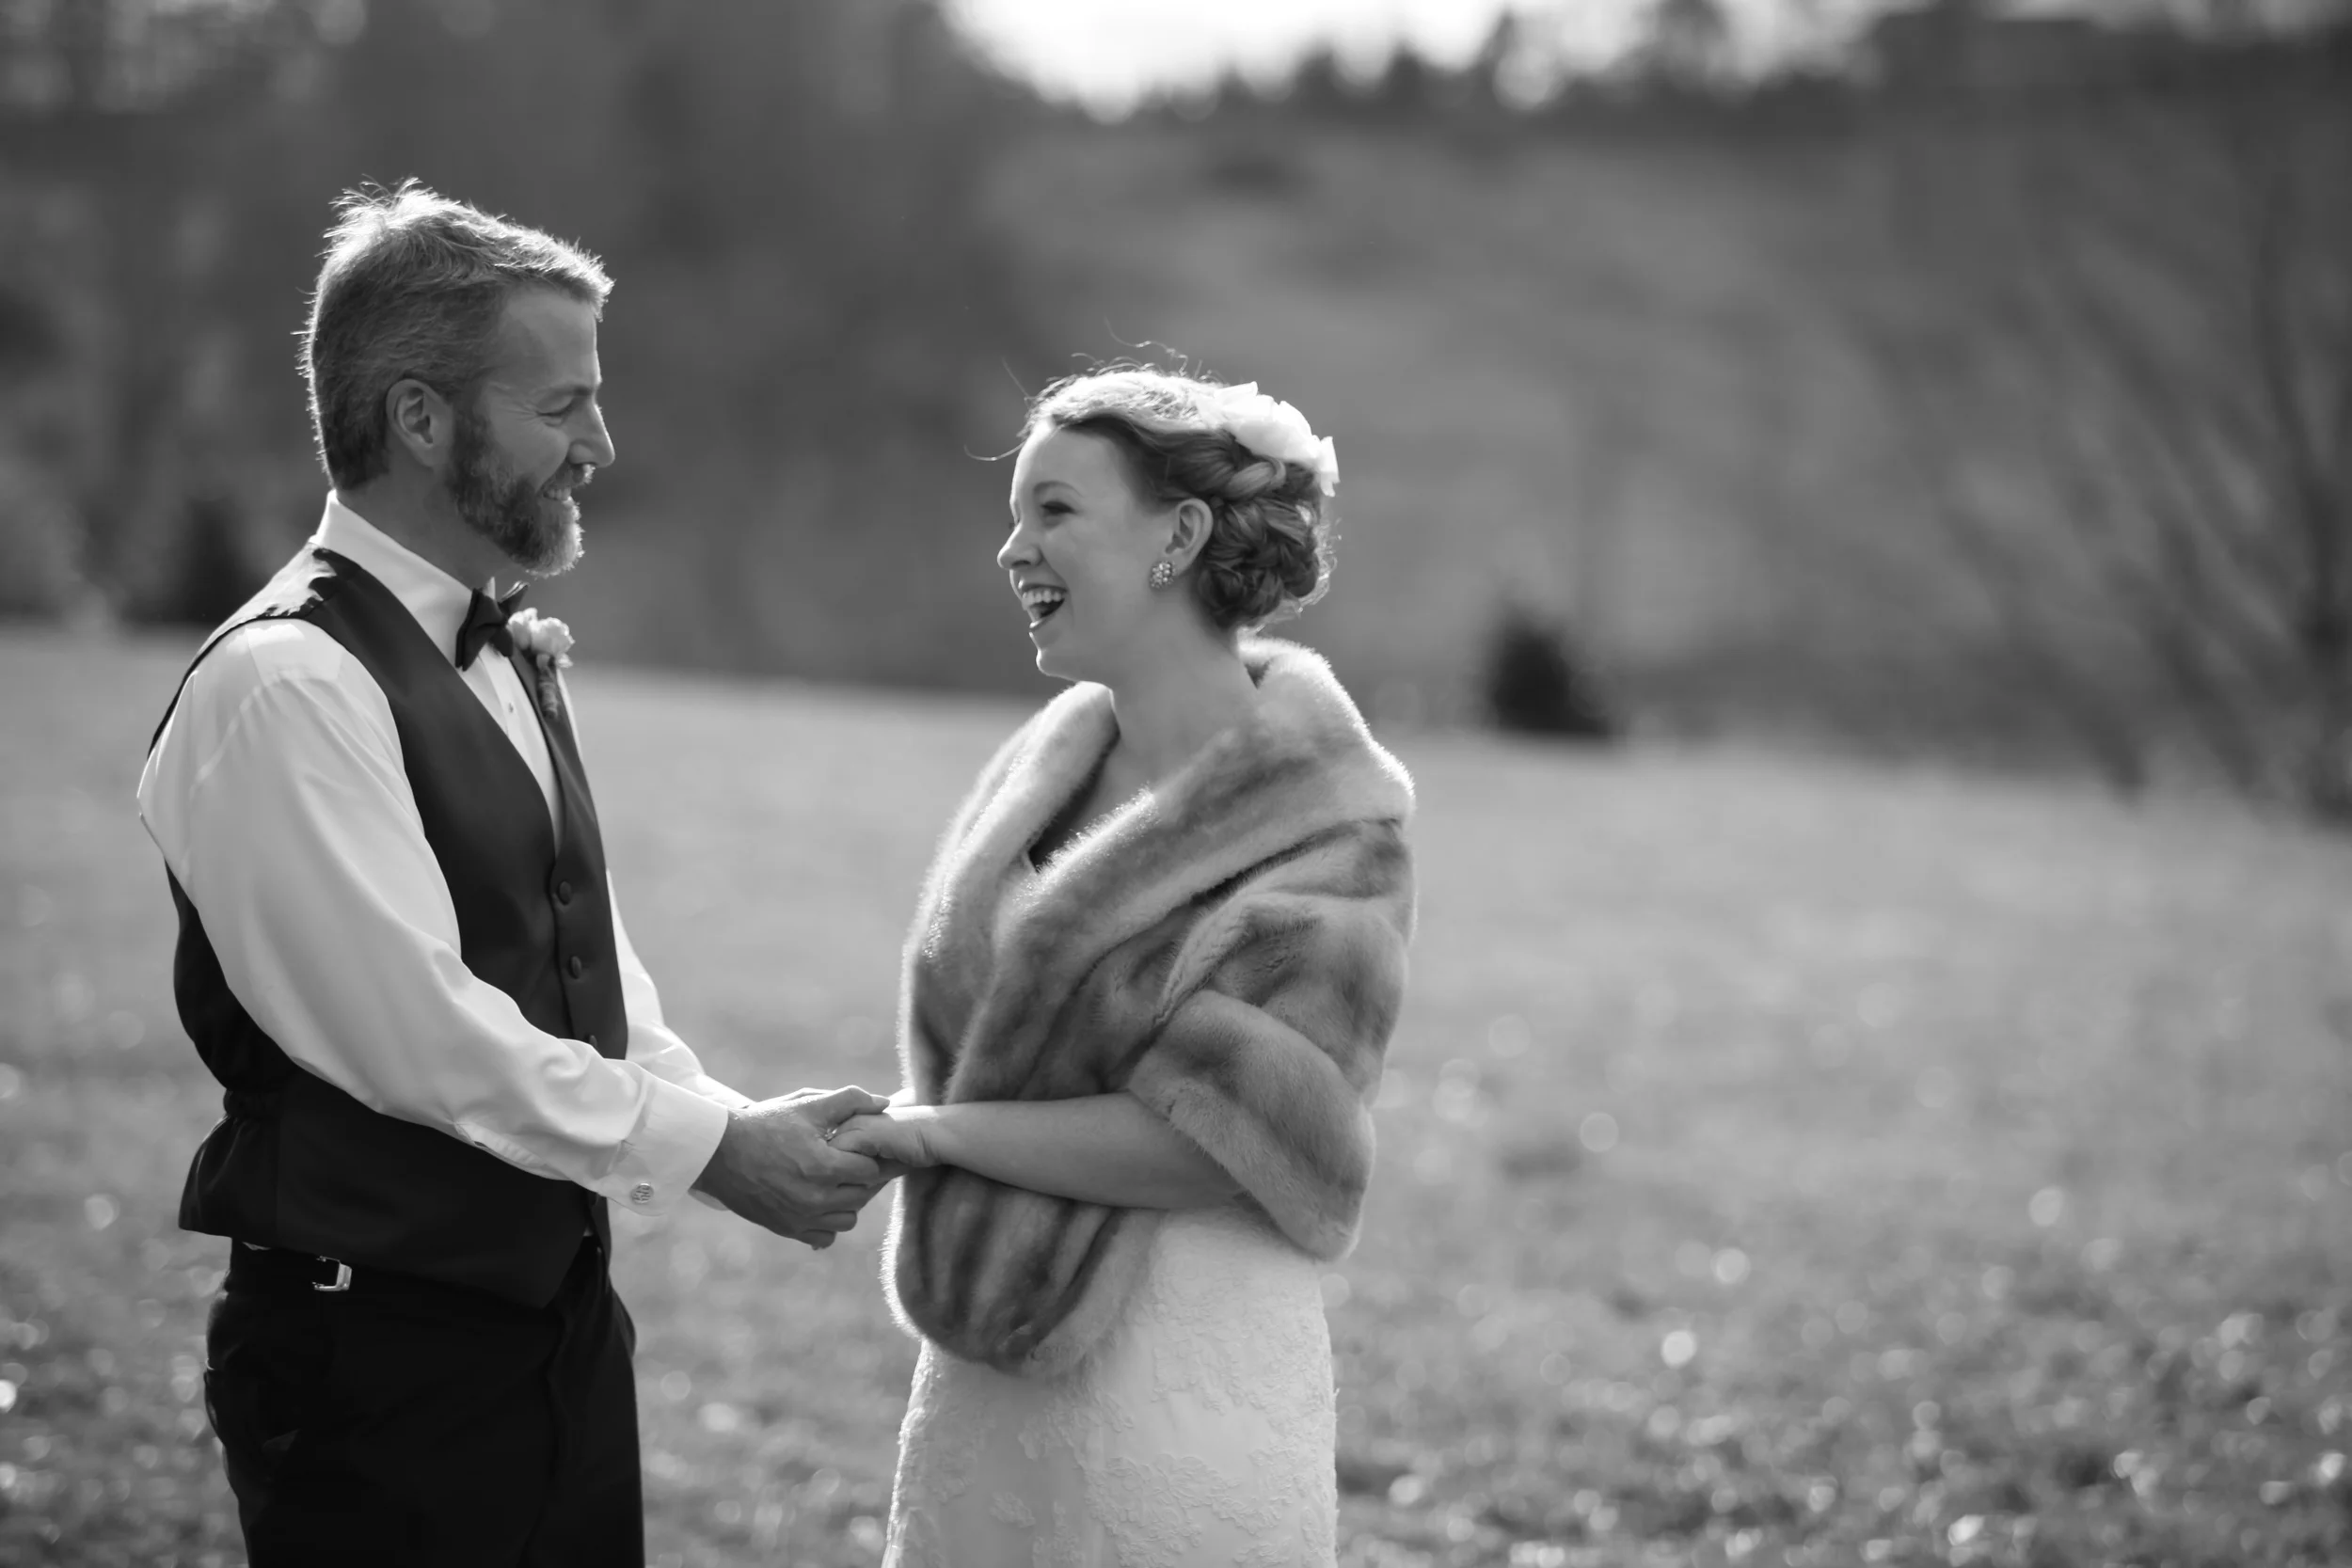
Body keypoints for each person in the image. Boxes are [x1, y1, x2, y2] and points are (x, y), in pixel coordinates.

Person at [136, 182, 889, 1567]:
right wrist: (716, 1153)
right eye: (561, 407)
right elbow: (419, 1033)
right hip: (374, 1359)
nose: (600, 441)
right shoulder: (287, 682)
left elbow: (573, 964)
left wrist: (727, 1112)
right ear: (421, 418)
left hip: (551, 1332)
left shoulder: (497, 649)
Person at [832, 366, 1418, 1566]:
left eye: (1052, 510)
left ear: (1182, 536)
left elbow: (1223, 1140)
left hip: (1180, 1372)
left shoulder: (1332, 824)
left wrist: (935, 1136)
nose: (1010, 548)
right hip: (988, 1369)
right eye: (1014, 512)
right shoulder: (1046, 759)